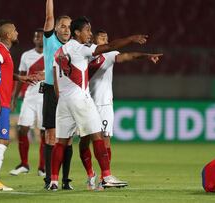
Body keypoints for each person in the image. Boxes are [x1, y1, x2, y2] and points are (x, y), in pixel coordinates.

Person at [49, 16, 148, 191]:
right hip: (80, 98)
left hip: (63, 101)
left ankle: (54, 181)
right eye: (87, 30)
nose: (89, 33)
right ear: (77, 32)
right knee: (97, 137)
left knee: (60, 142)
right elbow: (109, 47)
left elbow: (57, 80)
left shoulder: (59, 52)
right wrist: (131, 39)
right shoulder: (80, 49)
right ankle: (107, 176)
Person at [81, 30, 163, 190]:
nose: (105, 39)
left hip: (104, 104)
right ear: (94, 39)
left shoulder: (110, 54)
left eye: (107, 37)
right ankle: (90, 175)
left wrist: (145, 56)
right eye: (101, 37)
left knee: (105, 140)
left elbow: (129, 56)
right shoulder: (85, 54)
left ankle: (106, 176)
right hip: (85, 103)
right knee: (84, 141)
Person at [0, 20, 39, 191]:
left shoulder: (4, 52)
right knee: (3, 140)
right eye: (14, 30)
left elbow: (2, 73)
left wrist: (21, 78)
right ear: (7, 35)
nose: (17, 32)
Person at [42, 0, 73, 190]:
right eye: (62, 26)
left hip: (69, 93)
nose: (66, 30)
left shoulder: (74, 46)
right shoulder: (50, 40)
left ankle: (65, 180)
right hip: (51, 91)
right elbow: (49, 17)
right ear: (55, 29)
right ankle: (49, 180)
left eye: (69, 27)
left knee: (68, 137)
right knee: (51, 135)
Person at [9, 28, 46, 177]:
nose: (38, 38)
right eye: (36, 36)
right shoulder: (26, 55)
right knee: (22, 130)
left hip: (45, 98)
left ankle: (42, 167)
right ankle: (24, 164)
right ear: (33, 38)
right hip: (29, 98)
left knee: (44, 133)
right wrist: (14, 98)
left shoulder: (52, 55)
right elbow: (21, 78)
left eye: (41, 36)